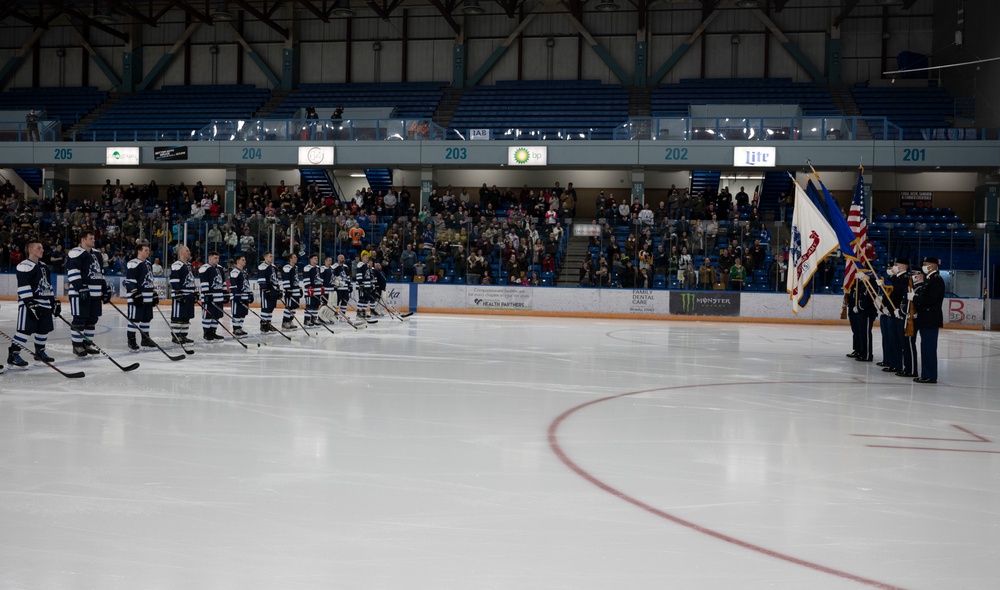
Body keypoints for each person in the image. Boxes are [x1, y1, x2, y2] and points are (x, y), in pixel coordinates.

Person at [7, 240, 59, 368]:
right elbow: (23, 286)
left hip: (44, 304)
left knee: (43, 329)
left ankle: (40, 353)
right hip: (30, 304)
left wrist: (53, 302)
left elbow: (48, 286)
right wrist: (30, 303)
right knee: (25, 330)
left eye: (41, 248)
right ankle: (13, 354)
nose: (42, 250)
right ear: (30, 250)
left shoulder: (43, 266)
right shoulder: (24, 266)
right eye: (39, 248)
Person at [65, 231, 111, 357]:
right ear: (83, 240)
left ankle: (87, 343)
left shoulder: (97, 254)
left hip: (95, 294)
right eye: (91, 238)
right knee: (80, 319)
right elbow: (73, 272)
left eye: (94, 238)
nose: (93, 240)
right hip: (80, 293)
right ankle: (77, 346)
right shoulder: (75, 252)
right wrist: (81, 288)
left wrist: (105, 289)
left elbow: (99, 274)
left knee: (92, 320)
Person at [910, 256, 945, 384]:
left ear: (933, 266)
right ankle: (925, 374)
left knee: (929, 348)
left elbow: (931, 300)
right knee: (925, 347)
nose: (924, 266)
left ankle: (930, 375)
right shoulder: (929, 280)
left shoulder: (936, 280)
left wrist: (915, 298)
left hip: (931, 318)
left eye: (926, 264)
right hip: (925, 318)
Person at [123, 240, 158, 351]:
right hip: (137, 297)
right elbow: (130, 281)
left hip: (147, 297)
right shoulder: (133, 263)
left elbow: (150, 280)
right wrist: (134, 293)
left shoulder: (148, 264)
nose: (148, 252)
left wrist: (153, 293)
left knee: (146, 319)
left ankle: (145, 339)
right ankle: (131, 340)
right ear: (139, 251)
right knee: (134, 319)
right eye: (146, 250)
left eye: (148, 250)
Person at [168, 245, 197, 345]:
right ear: (181, 253)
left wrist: (194, 292)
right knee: (177, 315)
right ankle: (176, 335)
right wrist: (178, 291)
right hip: (180, 294)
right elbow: (174, 279)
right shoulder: (177, 265)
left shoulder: (189, 265)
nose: (189, 252)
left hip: (189, 294)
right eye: (187, 250)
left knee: (186, 316)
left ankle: (183, 335)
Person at [198, 252, 228, 341]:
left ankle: (213, 332)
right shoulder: (204, 268)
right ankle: (207, 333)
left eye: (218, 258)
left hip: (219, 297)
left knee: (216, 316)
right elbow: (204, 282)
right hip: (209, 297)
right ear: (209, 258)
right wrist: (206, 293)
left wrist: (225, 292)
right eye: (215, 258)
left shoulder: (220, 268)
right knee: (208, 315)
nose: (217, 260)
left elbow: (222, 281)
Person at [257, 251, 283, 333]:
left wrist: (278, 289)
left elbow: (275, 279)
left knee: (271, 307)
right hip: (267, 289)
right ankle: (263, 325)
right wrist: (265, 289)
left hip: (273, 289)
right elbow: (261, 279)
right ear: (265, 257)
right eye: (270, 256)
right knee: (265, 308)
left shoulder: (274, 267)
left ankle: (268, 324)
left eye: (272, 256)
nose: (272, 257)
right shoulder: (262, 267)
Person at [229, 255, 253, 337]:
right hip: (238, 296)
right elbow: (233, 285)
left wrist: (250, 294)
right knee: (237, 313)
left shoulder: (244, 272)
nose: (245, 261)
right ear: (238, 261)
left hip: (245, 296)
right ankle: (236, 328)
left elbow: (246, 284)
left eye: (245, 259)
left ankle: (240, 327)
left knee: (243, 313)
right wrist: (236, 295)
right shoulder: (234, 272)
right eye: (243, 260)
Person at [280, 253, 302, 330]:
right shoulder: (287, 267)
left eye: (296, 257)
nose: (296, 258)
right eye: (294, 257)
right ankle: (285, 322)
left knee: (294, 306)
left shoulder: (296, 267)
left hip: (296, 290)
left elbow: (295, 279)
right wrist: (288, 289)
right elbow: (286, 278)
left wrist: (299, 288)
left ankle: (290, 320)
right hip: (290, 291)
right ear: (290, 259)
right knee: (289, 307)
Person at [302, 254, 322, 326]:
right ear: (310, 259)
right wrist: (308, 287)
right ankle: (307, 320)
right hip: (310, 291)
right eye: (315, 258)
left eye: (317, 258)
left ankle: (314, 318)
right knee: (309, 306)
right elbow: (306, 278)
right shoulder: (307, 268)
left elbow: (319, 278)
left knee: (316, 306)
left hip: (317, 290)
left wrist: (321, 286)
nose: (316, 259)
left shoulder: (318, 268)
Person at [331, 254, 353, 320]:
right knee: (337, 301)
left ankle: (343, 314)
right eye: (341, 258)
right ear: (338, 259)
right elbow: (333, 277)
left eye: (343, 258)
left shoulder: (346, 267)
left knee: (345, 301)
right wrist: (334, 285)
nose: (342, 259)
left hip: (345, 288)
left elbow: (348, 277)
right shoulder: (334, 267)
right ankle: (335, 314)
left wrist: (350, 285)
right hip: (338, 288)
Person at [354, 252, 375, 320]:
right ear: (362, 258)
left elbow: (369, 276)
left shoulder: (367, 266)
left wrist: (371, 284)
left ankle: (363, 311)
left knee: (367, 299)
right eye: (366, 257)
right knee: (362, 298)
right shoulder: (360, 265)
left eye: (368, 257)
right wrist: (360, 284)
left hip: (368, 285)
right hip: (363, 285)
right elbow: (359, 274)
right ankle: (359, 312)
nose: (367, 258)